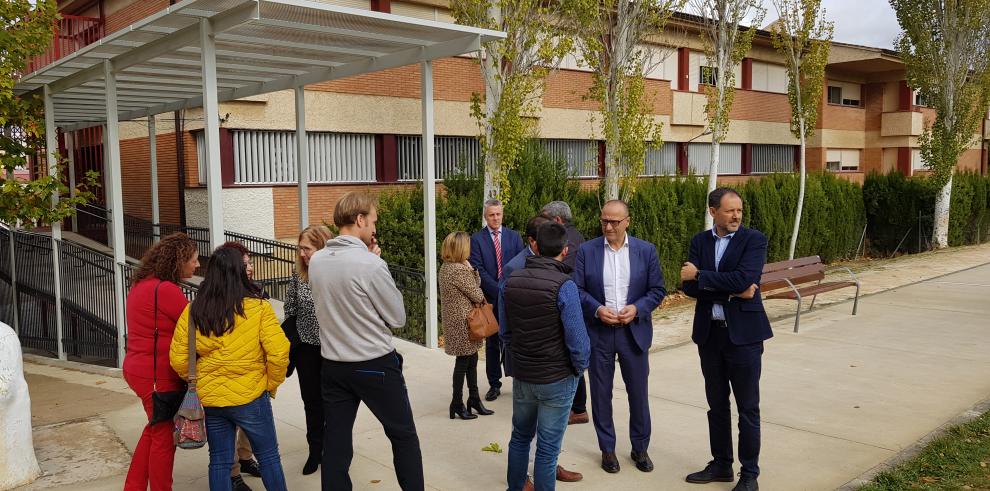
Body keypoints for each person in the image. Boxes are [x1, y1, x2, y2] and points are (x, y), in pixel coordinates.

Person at [309, 191, 424, 491]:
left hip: (333, 365)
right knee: (403, 436)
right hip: (373, 364)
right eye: (373, 221)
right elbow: (397, 316)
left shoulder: (317, 261)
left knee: (335, 443)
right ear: (359, 219)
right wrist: (376, 266)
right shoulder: (370, 265)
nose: (374, 228)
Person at [169, 247, 291, 491]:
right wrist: (270, 384)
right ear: (237, 273)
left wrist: (200, 379)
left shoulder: (194, 310)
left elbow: (179, 358)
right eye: (245, 264)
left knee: (219, 462)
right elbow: (279, 352)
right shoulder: (258, 308)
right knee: (268, 457)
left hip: (212, 399)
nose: (249, 268)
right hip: (251, 396)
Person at [680, 188, 771, 491]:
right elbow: (688, 289)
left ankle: (749, 474)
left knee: (748, 408)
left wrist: (702, 277)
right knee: (716, 405)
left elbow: (744, 278)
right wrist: (733, 291)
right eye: (730, 211)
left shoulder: (753, 240)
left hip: (743, 337)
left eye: (739, 211)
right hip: (710, 336)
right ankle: (721, 464)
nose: (736, 216)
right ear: (713, 212)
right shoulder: (699, 241)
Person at [573, 200, 666, 475]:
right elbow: (576, 289)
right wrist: (597, 309)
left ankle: (640, 448)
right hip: (600, 333)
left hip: (633, 333)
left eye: (614, 221)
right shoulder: (587, 251)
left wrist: (637, 309)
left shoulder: (646, 251)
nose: (608, 226)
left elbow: (657, 289)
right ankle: (608, 450)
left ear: (627, 221)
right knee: (601, 395)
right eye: (604, 221)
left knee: (638, 394)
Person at [501, 222, 590, 491]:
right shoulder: (565, 285)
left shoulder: (512, 279)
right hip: (556, 377)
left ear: (536, 246)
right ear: (565, 250)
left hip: (524, 374)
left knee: (519, 437)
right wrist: (578, 368)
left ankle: (515, 487)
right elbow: (578, 341)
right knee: (548, 451)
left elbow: (505, 332)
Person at [121, 232, 199, 491]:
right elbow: (196, 327)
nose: (197, 265)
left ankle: (133, 486)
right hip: (157, 377)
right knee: (164, 437)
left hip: (140, 370)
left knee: (155, 429)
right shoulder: (165, 290)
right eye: (193, 260)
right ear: (179, 261)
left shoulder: (143, 284)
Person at [284, 225, 334, 475]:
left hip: (335, 349)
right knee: (312, 402)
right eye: (300, 248)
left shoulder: (337, 272)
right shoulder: (298, 273)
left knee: (335, 402)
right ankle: (315, 451)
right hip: (306, 349)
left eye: (307, 248)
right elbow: (290, 308)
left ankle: (335, 450)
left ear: (322, 246)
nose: (302, 254)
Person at [218, 241, 265, 490]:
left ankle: (245, 458)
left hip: (256, 372)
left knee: (249, 425)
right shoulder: (217, 296)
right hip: (230, 376)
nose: (250, 268)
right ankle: (233, 472)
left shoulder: (256, 291)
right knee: (231, 425)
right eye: (245, 263)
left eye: (250, 262)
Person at [470, 198, 524, 402]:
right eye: (491, 214)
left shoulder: (514, 237)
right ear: (485, 216)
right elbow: (478, 269)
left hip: (512, 298)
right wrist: (498, 289)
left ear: (503, 214)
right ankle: (494, 384)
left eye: (498, 214)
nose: (495, 218)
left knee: (515, 342)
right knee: (492, 343)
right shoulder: (476, 239)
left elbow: (521, 264)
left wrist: (509, 289)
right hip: (491, 299)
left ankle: (518, 381)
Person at [540, 201, 589, 426]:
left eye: (546, 218)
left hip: (567, 302)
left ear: (558, 220)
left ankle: (577, 408)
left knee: (570, 355)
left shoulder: (567, 242)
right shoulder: (578, 236)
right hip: (574, 301)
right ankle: (578, 406)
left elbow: (561, 272)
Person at [438, 231, 494, 420]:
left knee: (471, 360)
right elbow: (477, 294)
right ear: (460, 248)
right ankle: (457, 402)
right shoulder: (458, 271)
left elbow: (473, 287)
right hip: (465, 323)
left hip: (459, 321)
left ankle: (473, 399)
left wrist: (471, 269)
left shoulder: (447, 267)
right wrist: (470, 270)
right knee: (464, 363)